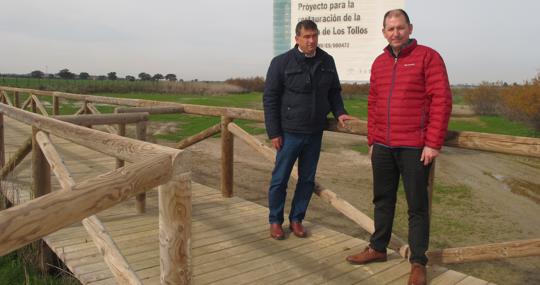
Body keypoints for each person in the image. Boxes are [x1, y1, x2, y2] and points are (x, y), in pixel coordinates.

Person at [345, 9, 452, 285]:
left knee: (417, 206)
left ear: (410, 28)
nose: (396, 33)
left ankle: (418, 261)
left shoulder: (428, 57)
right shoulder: (379, 62)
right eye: (390, 29)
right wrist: (372, 140)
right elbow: (373, 103)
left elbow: (441, 100)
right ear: (384, 32)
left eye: (400, 28)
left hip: (415, 147)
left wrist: (432, 142)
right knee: (382, 200)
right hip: (382, 146)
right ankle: (378, 248)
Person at [263, 19, 353, 240]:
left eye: (314, 36)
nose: (311, 40)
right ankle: (275, 221)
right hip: (288, 133)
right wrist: (274, 132)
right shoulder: (281, 62)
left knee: (306, 180)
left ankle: (296, 219)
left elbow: (334, 92)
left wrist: (340, 111)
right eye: (306, 36)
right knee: (280, 179)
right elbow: (270, 98)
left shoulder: (327, 60)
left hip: (314, 133)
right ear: (297, 39)